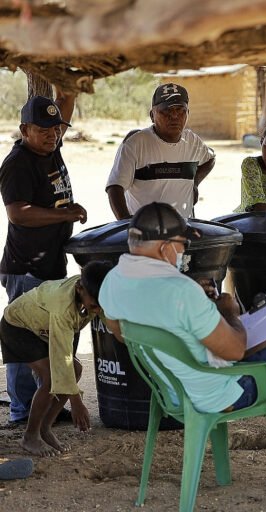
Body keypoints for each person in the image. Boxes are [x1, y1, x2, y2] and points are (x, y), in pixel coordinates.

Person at [99, 202, 266, 491]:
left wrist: (194, 304)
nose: (183, 252)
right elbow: (236, 350)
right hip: (223, 393)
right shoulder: (181, 292)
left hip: (173, 391)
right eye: (182, 245)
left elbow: (121, 333)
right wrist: (228, 311)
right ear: (165, 248)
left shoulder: (113, 281)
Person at [0, 90, 87, 426]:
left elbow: (62, 110)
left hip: (50, 263)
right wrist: (64, 215)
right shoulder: (18, 164)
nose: (52, 135)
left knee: (48, 340)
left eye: (56, 129)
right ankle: (22, 411)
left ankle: (45, 405)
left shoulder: (50, 146)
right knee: (24, 344)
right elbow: (18, 213)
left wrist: (70, 88)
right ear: (25, 130)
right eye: (43, 130)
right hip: (25, 268)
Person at [0, 260, 113, 456]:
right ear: (79, 289)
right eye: (94, 306)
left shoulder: (91, 290)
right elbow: (63, 360)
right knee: (52, 378)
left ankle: (45, 428)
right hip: (18, 326)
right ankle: (30, 436)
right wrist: (76, 403)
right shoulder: (63, 308)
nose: (97, 311)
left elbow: (114, 323)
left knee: (75, 371)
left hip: (43, 328)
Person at [105, 83, 215, 220]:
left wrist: (195, 183)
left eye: (180, 110)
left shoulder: (193, 141)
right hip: (146, 229)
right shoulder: (136, 143)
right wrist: (127, 224)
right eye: (166, 110)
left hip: (183, 227)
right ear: (152, 115)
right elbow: (115, 188)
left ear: (188, 113)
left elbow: (210, 158)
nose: (174, 116)